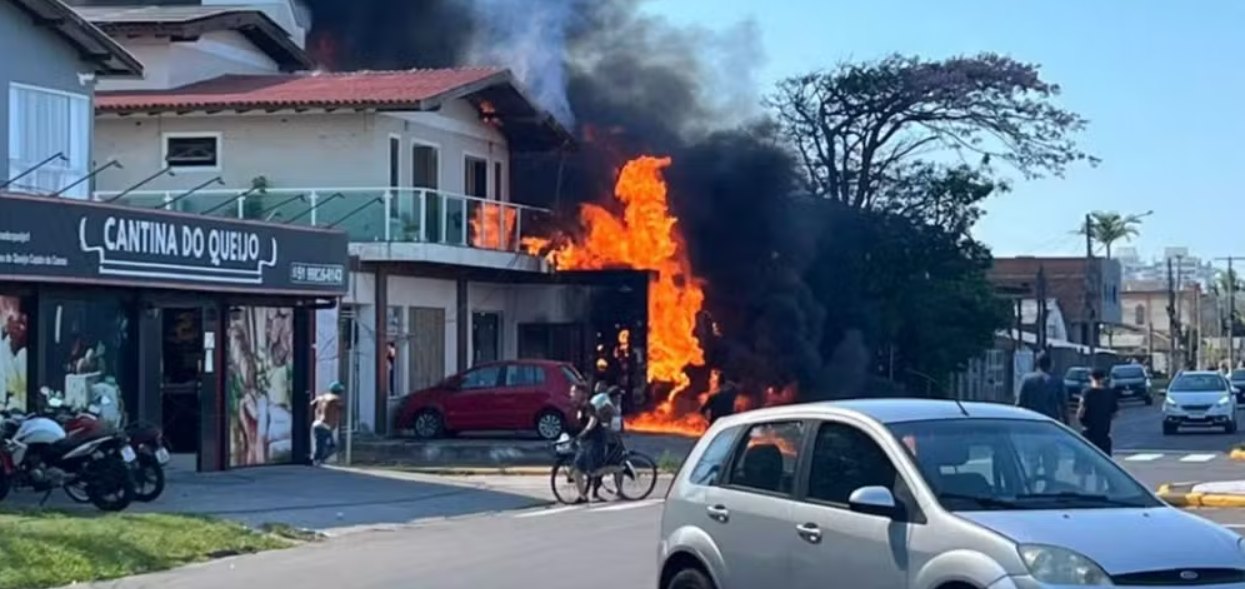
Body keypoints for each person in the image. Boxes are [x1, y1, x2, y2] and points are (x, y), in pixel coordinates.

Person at [570, 382, 606, 503]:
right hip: (587, 442)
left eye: (574, 392)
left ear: (581, 393)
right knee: (583, 469)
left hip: (594, 441)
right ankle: (584, 495)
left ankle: (583, 496)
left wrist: (586, 430)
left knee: (581, 469)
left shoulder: (587, 406)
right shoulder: (580, 407)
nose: (571, 394)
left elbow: (593, 419)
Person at [1016, 352, 1068, 424]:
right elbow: (1064, 405)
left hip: (1031, 420)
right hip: (1050, 422)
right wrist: (1066, 423)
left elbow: (1020, 404)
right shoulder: (1057, 382)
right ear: (1051, 365)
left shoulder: (1027, 379)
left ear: (1037, 365)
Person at [1078, 367, 1118, 455]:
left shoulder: (1087, 393)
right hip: (1104, 434)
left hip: (1089, 433)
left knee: (1087, 461)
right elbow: (1115, 413)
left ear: (1091, 378)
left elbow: (1081, 413)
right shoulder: (1110, 393)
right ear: (1104, 378)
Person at [310, 382, 344, 465]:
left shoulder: (321, 397)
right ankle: (317, 459)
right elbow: (341, 407)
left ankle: (318, 459)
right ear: (339, 391)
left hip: (317, 423)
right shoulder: (336, 399)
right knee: (327, 446)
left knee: (327, 445)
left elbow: (312, 404)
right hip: (325, 425)